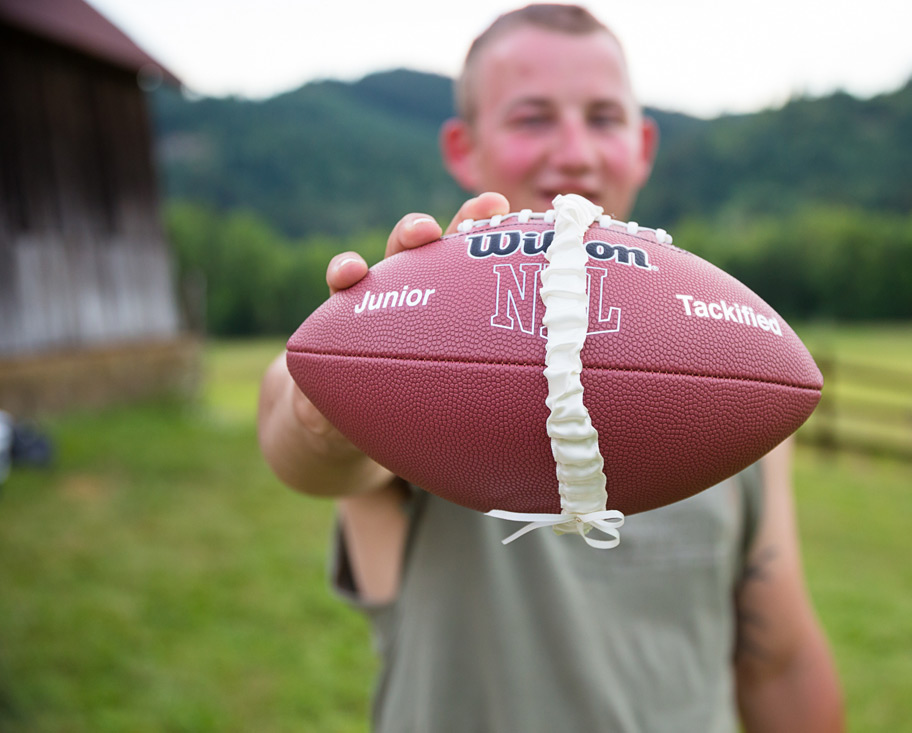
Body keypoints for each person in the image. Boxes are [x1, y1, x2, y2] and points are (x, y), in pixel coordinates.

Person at [258, 5, 844, 731]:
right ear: (463, 148)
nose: (574, 152)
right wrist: (326, 413)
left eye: (603, 118)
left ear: (642, 143)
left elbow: (777, 656)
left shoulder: (728, 365)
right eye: (533, 118)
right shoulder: (423, 341)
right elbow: (303, 442)